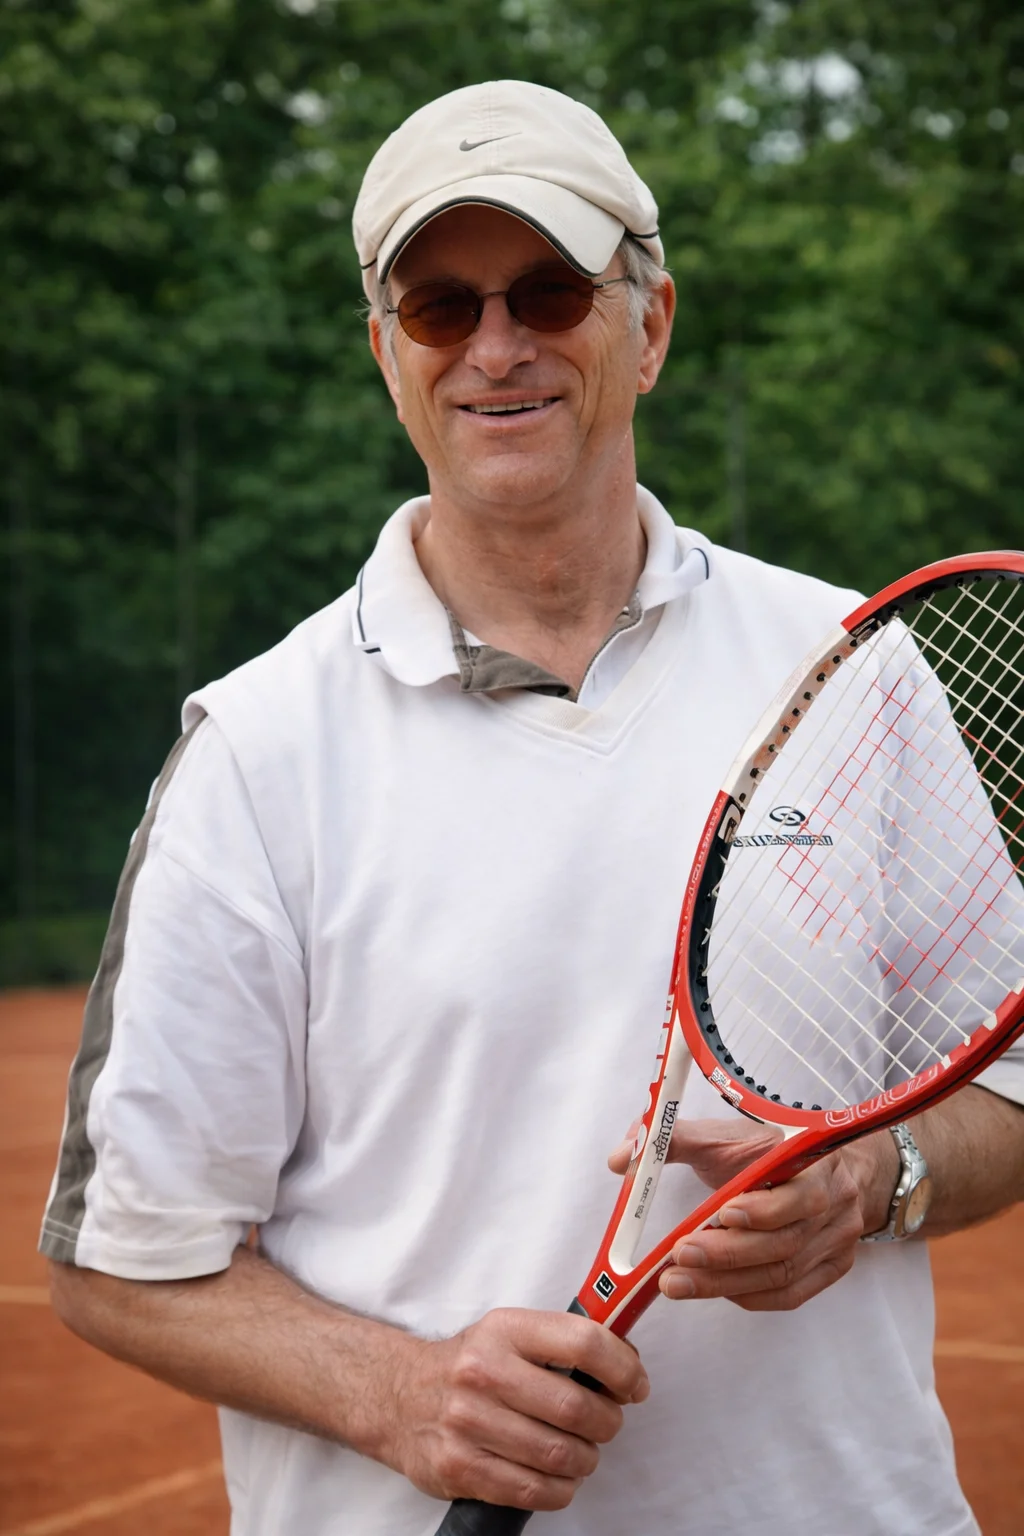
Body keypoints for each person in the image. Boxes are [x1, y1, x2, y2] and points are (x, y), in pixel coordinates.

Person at [43, 80, 1024, 1536]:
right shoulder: (256, 753)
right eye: (439, 307)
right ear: (387, 354)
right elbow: (119, 1260)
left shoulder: (853, 671)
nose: (497, 346)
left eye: (551, 290)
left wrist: (872, 1183)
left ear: (653, 324)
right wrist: (398, 1390)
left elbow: (1007, 1093)